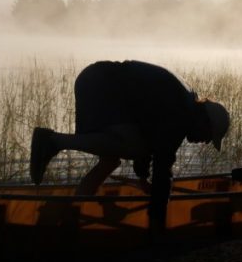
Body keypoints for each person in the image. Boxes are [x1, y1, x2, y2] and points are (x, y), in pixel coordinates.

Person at [29, 60, 230, 229]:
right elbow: (162, 169)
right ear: (204, 121)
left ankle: (78, 208)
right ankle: (53, 140)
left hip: (97, 82)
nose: (204, 142)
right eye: (208, 136)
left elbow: (149, 135)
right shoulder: (180, 114)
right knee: (131, 148)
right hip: (100, 85)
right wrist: (158, 221)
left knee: (111, 159)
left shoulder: (183, 106)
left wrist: (142, 178)